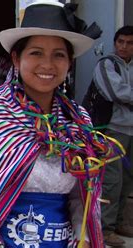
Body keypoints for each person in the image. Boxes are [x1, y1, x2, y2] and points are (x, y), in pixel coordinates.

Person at [0, 1, 125, 247]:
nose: (47, 64)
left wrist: (83, 239)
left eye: (59, 54)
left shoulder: (77, 121)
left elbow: (83, 197)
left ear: (69, 62)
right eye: (36, 52)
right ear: (16, 58)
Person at [94, 25, 133, 247]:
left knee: (128, 179)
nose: (124, 47)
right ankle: (104, 228)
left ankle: (118, 222)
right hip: (113, 130)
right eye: (121, 42)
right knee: (111, 180)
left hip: (131, 130)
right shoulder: (107, 65)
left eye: (129, 43)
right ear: (115, 43)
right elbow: (116, 92)